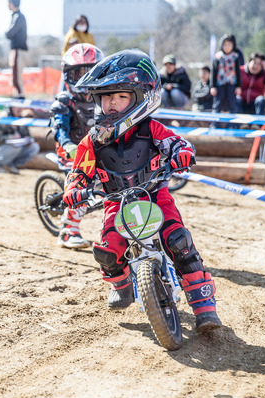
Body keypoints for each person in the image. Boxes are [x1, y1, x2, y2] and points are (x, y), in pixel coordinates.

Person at [62, 49, 222, 333]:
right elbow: (80, 170)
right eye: (106, 97)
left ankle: (203, 306)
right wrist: (75, 187)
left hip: (155, 194)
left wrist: (182, 153)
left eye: (120, 96)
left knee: (179, 241)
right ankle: (122, 287)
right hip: (115, 203)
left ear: (140, 96)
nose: (111, 103)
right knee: (108, 251)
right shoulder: (93, 141)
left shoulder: (152, 129)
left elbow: (177, 143)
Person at [50, 43, 104, 249]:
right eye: (78, 73)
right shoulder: (65, 101)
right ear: (67, 75)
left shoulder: (104, 99)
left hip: (97, 150)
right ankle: (67, 231)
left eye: (90, 72)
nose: (84, 78)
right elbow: (59, 128)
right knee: (81, 184)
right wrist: (67, 145)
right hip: (71, 152)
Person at [0, 104, 40, 174]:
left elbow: (27, 135)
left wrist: (28, 140)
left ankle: (11, 165)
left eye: (21, 106)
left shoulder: (22, 118)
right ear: (12, 106)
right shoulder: (3, 118)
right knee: (16, 147)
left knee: (34, 147)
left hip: (15, 148)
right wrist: (10, 137)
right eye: (17, 105)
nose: (20, 108)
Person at [210, 33, 241, 115]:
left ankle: (232, 124)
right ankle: (215, 123)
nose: (227, 47)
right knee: (217, 104)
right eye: (225, 45)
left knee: (232, 103)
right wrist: (212, 86)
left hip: (231, 83)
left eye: (229, 45)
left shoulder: (235, 57)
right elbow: (213, 72)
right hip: (219, 83)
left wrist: (238, 86)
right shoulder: (218, 57)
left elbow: (238, 73)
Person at [5, 0, 27, 98]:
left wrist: (6, 33)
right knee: (15, 75)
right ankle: (17, 95)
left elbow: (10, 33)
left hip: (18, 50)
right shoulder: (17, 16)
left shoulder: (18, 16)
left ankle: (20, 96)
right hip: (18, 50)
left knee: (16, 76)